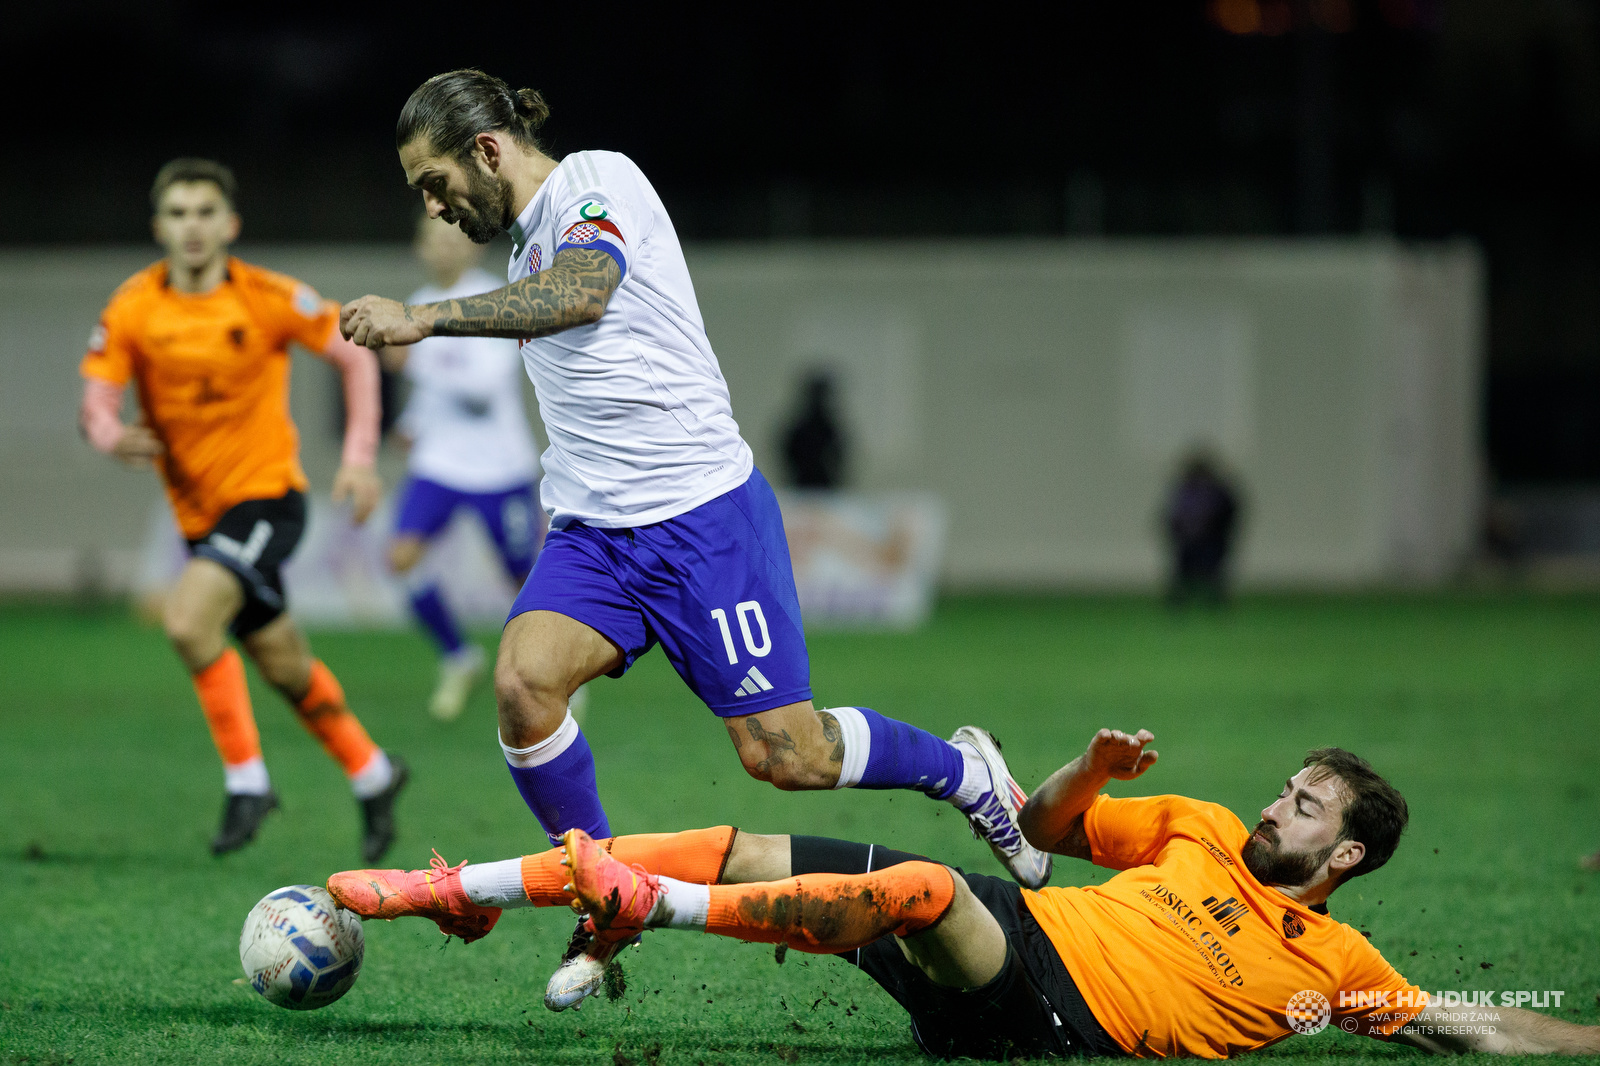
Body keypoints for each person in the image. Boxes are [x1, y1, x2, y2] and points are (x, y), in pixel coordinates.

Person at [337, 69, 1049, 1008]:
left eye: (434, 182)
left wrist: (422, 321)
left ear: (486, 150)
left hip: (701, 519)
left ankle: (967, 773)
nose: (432, 205)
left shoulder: (596, 181)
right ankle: (605, 900)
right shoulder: (521, 250)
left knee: (785, 758)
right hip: (596, 532)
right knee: (522, 682)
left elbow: (586, 291)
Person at [329, 728, 1600, 1059]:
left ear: (1346, 861)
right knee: (747, 843)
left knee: (928, 884)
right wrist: (1091, 772)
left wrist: (1584, 1032)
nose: (1276, 805)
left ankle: (635, 909)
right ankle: (445, 890)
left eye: (1306, 807)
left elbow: (1467, 1018)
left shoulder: (1334, 975)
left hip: (1061, 1021)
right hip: (1022, 925)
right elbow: (1042, 829)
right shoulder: (1202, 832)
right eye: (1287, 788)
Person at [78, 158, 408, 860]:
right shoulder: (134, 307)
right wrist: (112, 436)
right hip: (201, 518)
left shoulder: (264, 297)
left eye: (205, 212)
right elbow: (96, 406)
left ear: (229, 224)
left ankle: (247, 781)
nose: (192, 226)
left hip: (266, 500)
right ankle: (374, 772)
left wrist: (357, 455)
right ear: (159, 226)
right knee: (284, 665)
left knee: (187, 618)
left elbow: (355, 357)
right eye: (178, 213)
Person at [383, 214, 545, 721]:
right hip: (440, 463)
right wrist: (411, 421)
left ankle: (554, 674)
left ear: (473, 248)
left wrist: (415, 362)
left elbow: (482, 389)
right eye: (432, 240)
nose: (443, 249)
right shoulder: (421, 299)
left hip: (500, 466)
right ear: (420, 248)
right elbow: (435, 394)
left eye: (452, 238)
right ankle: (459, 656)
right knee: (402, 557)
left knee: (526, 582)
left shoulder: (495, 296)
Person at [1163, 451, 1241, 607]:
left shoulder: (1216, 491)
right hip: (1190, 540)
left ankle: (1213, 601)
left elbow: (1229, 512)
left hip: (1211, 539)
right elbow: (1174, 516)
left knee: (1212, 573)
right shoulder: (1186, 490)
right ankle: (1182, 600)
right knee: (1185, 573)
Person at [782, 369, 847, 488]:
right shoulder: (801, 428)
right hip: (803, 484)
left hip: (823, 485)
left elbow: (839, 455)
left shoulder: (828, 428)